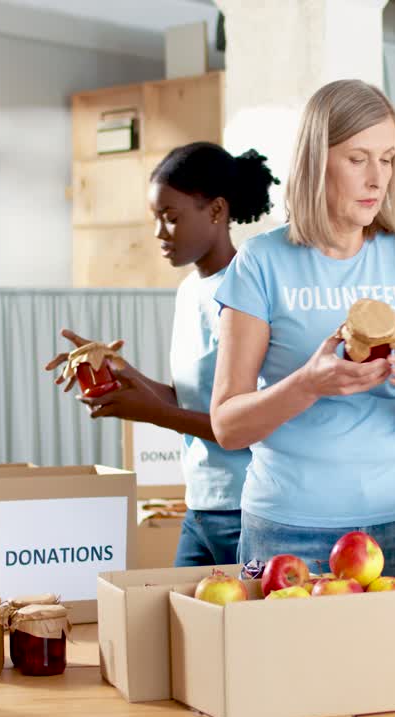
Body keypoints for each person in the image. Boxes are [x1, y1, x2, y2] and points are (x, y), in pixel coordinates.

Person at [209, 79, 395, 584]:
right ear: (315, 160)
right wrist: (310, 384)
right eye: (358, 159)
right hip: (284, 528)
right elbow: (227, 424)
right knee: (279, 665)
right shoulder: (262, 263)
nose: (378, 180)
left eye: (387, 159)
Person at [44, 142, 278, 567]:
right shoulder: (190, 291)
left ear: (216, 211)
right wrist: (120, 373)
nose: (159, 234)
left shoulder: (247, 292)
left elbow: (249, 425)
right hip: (201, 506)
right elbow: (188, 402)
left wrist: (148, 412)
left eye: (171, 219)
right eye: (156, 219)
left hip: (245, 509)